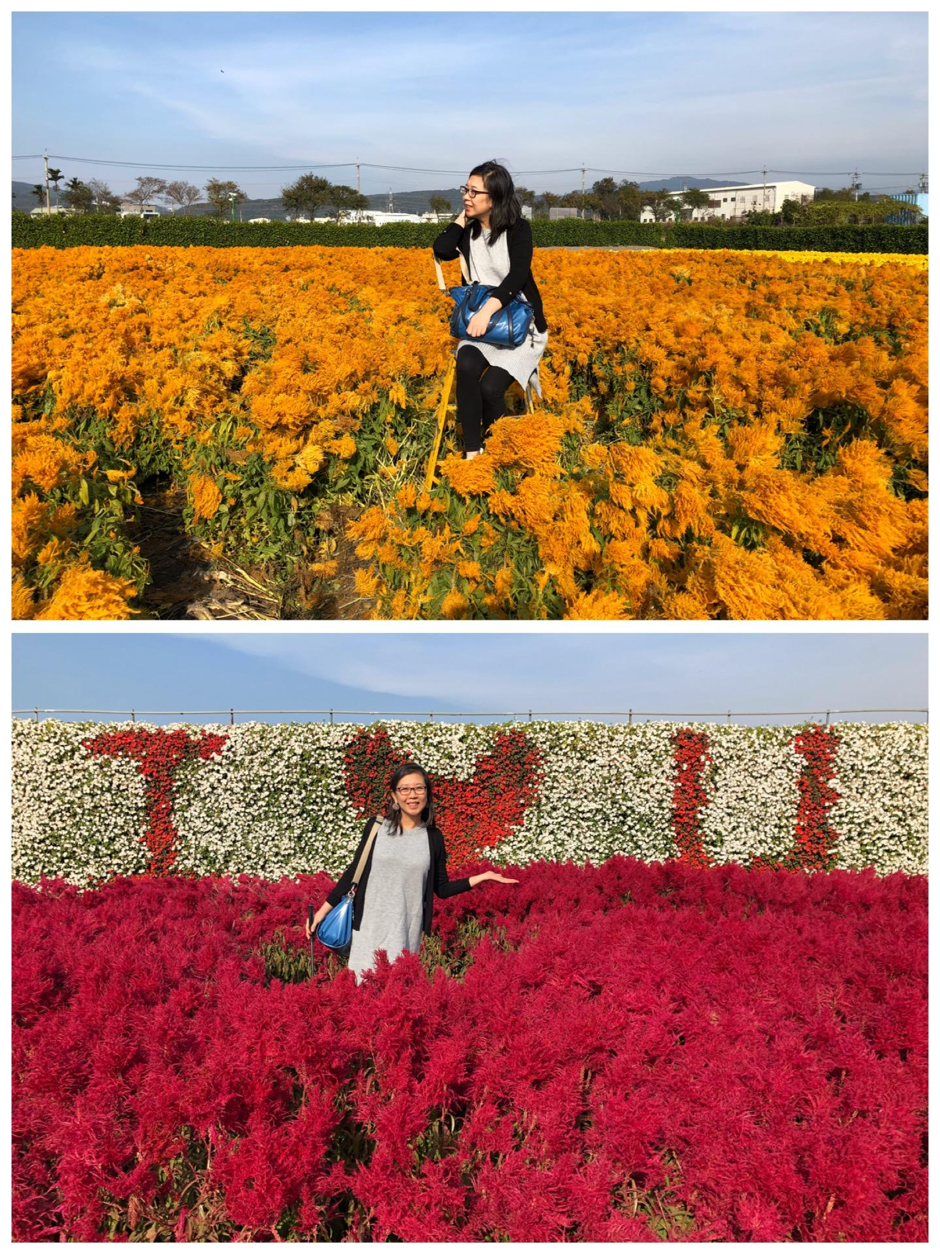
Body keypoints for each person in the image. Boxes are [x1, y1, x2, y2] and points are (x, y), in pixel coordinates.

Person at [306, 761, 519, 982]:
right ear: (394, 796)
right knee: (363, 990)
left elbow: (442, 888)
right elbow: (353, 872)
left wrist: (482, 877)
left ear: (427, 793)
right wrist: (322, 912)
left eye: (419, 788)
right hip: (368, 927)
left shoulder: (433, 838)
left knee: (398, 991)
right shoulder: (376, 827)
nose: (412, 795)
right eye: (405, 789)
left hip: (406, 930)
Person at [432, 160, 549, 459]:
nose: (466, 196)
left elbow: (517, 275)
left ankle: (507, 452)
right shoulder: (468, 233)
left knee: (491, 389)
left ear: (494, 197)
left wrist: (487, 311)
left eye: (474, 192)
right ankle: (474, 452)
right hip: (482, 325)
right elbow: (442, 249)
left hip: (519, 324)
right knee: (467, 365)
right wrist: (465, 215)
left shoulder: (518, 229)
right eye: (465, 189)